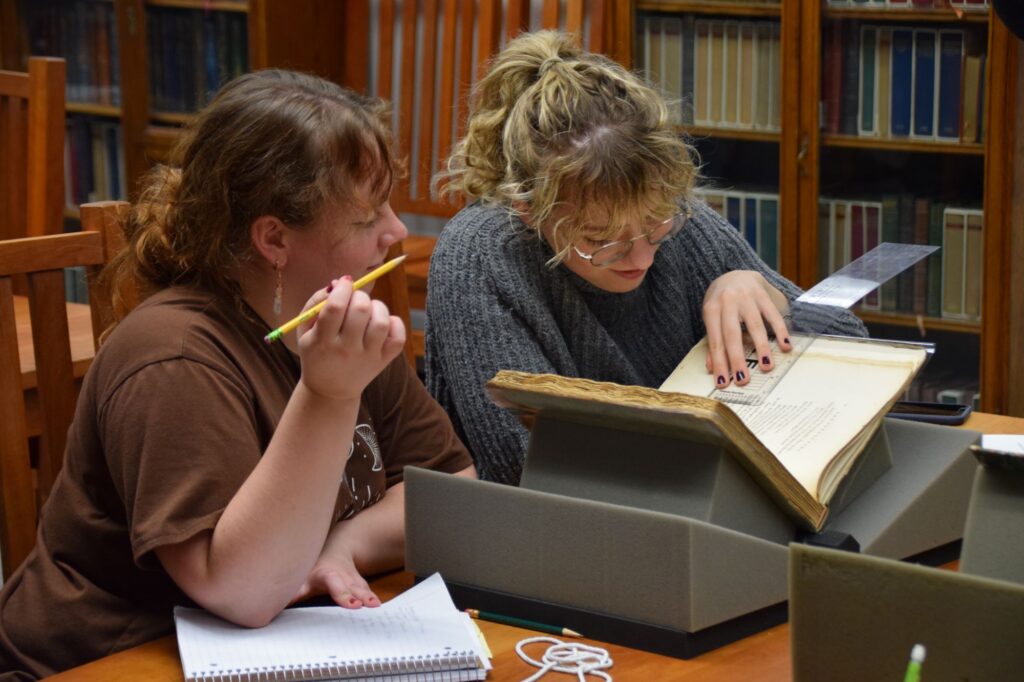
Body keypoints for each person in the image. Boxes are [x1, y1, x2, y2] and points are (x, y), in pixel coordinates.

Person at [0, 70, 475, 679]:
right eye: (364, 218)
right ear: (274, 237)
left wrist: (341, 545)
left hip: (284, 645)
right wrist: (327, 393)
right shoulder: (173, 359)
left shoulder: (332, 319)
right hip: (111, 659)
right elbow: (242, 592)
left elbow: (450, 490)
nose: (397, 230)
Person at [425, 31, 866, 486]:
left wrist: (766, 293)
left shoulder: (674, 217)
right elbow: (526, 468)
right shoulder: (480, 256)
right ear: (528, 210)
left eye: (655, 224)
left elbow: (860, 352)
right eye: (601, 239)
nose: (641, 256)